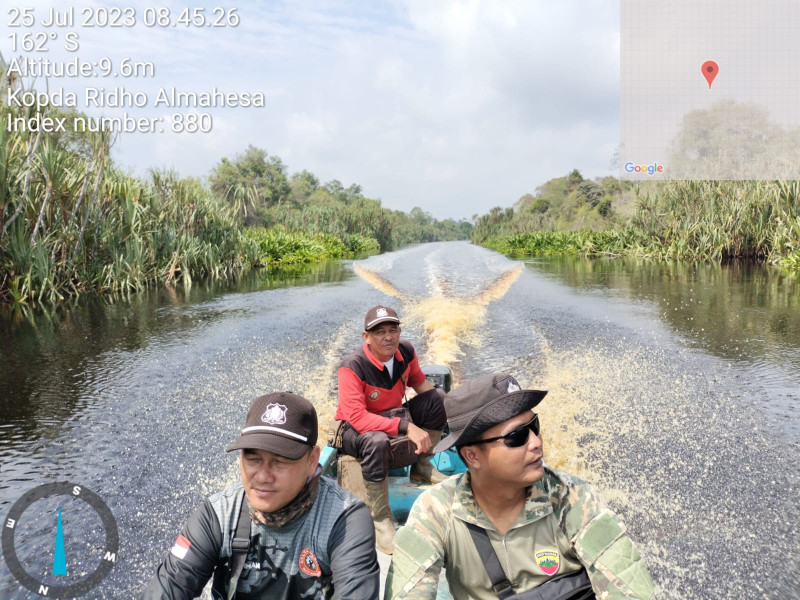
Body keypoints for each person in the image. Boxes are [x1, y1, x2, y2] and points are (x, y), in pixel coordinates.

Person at [385, 373, 655, 600]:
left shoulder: (573, 499)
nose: (536, 442)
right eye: (517, 436)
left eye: (534, 426)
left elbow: (629, 586)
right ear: (472, 456)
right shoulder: (436, 512)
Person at [142, 392, 380, 600]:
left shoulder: (345, 521)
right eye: (252, 458)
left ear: (312, 461)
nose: (263, 476)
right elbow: (170, 585)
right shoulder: (217, 515)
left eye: (280, 461)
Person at [335, 305, 447, 554]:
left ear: (399, 331)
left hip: (392, 417)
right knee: (375, 440)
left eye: (392, 330)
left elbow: (421, 384)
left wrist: (450, 409)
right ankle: (381, 519)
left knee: (438, 398)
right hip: (354, 430)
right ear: (367, 337)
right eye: (379, 332)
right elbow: (358, 419)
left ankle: (422, 467)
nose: (387, 337)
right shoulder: (352, 367)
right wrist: (406, 427)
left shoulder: (405, 351)